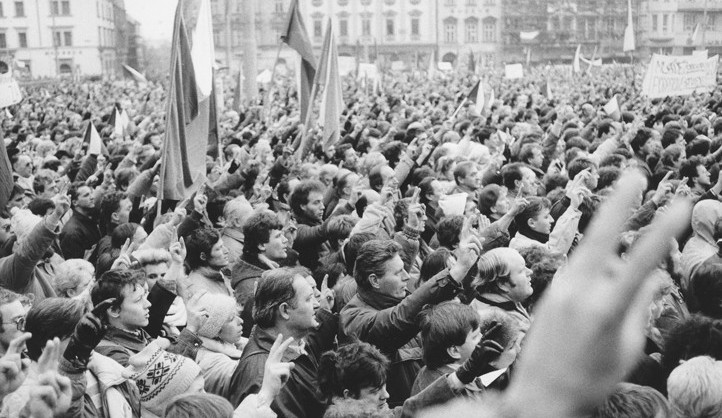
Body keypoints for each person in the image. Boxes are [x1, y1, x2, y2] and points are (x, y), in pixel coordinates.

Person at [340, 238, 480, 407]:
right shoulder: (354, 320)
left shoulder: (399, 296)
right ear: (374, 281)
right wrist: (454, 273)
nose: (407, 277)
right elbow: (397, 319)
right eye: (398, 273)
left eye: (405, 270)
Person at [229, 267, 337, 417]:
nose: (316, 304)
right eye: (308, 299)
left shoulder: (294, 342)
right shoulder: (264, 374)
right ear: (285, 311)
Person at [230, 210, 288, 335]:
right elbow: (250, 332)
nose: (285, 240)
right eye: (278, 236)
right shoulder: (250, 287)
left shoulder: (269, 267)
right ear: (261, 245)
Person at [60, 183, 101, 260]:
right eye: (86, 195)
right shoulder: (72, 232)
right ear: (75, 202)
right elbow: (75, 266)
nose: (92, 197)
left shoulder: (90, 218)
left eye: (91, 193)